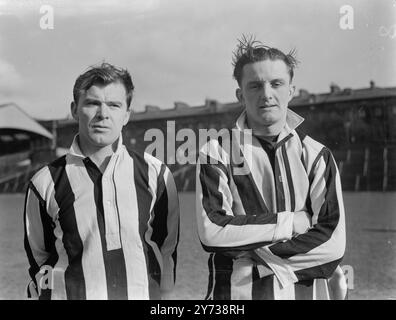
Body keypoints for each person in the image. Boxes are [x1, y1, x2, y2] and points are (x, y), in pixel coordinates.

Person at [196, 35, 347, 300]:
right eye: (255, 86)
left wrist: (255, 257)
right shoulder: (215, 152)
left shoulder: (317, 156)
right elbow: (213, 232)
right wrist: (292, 222)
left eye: (276, 84)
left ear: (291, 90)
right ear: (240, 95)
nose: (266, 94)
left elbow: (333, 246)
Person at [23, 62, 180, 300]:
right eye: (92, 103)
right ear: (75, 109)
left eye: (114, 105)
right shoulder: (44, 182)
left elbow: (166, 253)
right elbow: (39, 260)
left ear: (126, 115)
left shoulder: (157, 174)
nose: (103, 114)